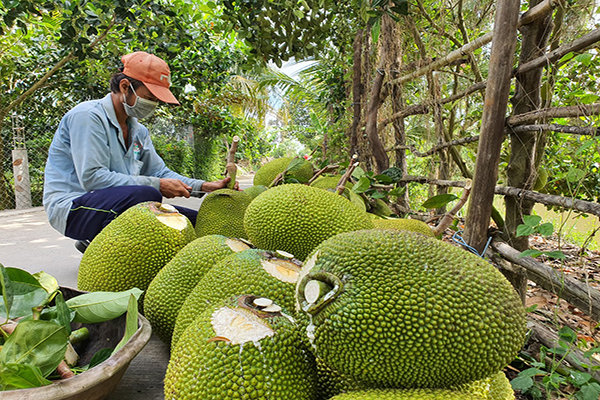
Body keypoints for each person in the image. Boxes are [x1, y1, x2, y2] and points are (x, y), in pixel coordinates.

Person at [43, 51, 235, 253]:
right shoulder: (88, 117)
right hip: (73, 209)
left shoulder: (138, 132)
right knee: (146, 194)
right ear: (125, 86)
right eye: (149, 97)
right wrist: (158, 185)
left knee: (194, 222)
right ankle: (99, 245)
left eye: (156, 100)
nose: (152, 105)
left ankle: (96, 240)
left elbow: (159, 172)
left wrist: (205, 186)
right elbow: (92, 178)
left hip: (117, 203)